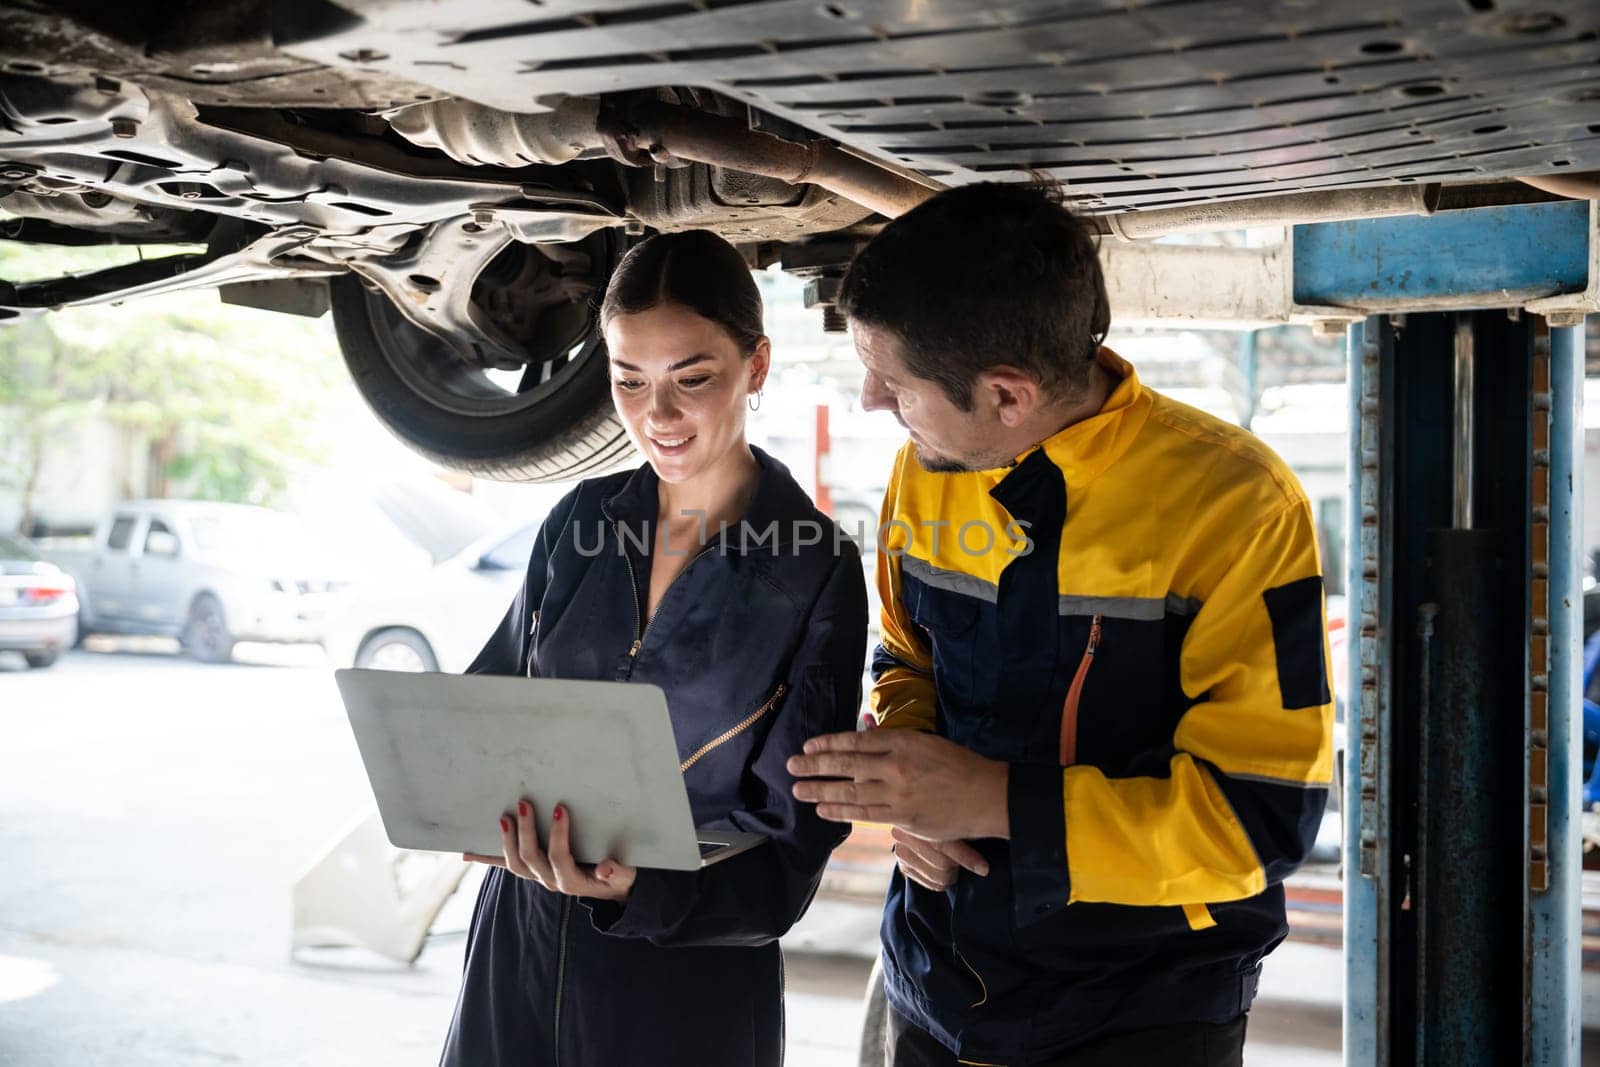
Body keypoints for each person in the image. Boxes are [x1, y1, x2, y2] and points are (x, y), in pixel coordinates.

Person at [788, 183, 1335, 1066]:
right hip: (935, 986)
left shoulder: (1238, 509)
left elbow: (1256, 823)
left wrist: (991, 801)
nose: (869, 401)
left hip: (1139, 1016)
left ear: (1008, 394)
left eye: (894, 382)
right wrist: (915, 786)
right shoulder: (927, 470)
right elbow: (907, 656)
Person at [440, 229, 869, 1066]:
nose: (655, 416)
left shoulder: (813, 568)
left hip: (683, 989)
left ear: (757, 365)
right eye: (628, 379)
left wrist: (646, 888)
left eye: (692, 379)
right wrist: (459, 791)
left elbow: (790, 858)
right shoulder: (580, 520)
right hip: (519, 953)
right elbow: (493, 701)